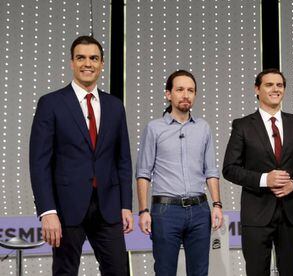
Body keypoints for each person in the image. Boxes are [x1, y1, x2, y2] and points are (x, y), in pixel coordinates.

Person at [29, 35, 133, 276]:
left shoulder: (115, 106)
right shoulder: (51, 103)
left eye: (94, 58)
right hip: (66, 208)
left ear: (102, 63)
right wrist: (47, 212)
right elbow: (39, 163)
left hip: (108, 206)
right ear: (72, 63)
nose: (88, 63)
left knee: (119, 271)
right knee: (65, 272)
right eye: (81, 58)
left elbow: (123, 160)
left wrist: (126, 205)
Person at [222, 68, 293, 276]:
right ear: (257, 89)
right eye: (269, 85)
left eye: (280, 85)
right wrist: (266, 179)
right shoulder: (243, 125)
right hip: (256, 214)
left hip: (291, 212)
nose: (275, 89)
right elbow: (229, 169)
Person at [136, 70, 223, 276]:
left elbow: (210, 170)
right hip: (166, 211)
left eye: (191, 90)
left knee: (200, 272)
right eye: (180, 90)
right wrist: (143, 210)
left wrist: (217, 205)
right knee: (165, 272)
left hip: (200, 209)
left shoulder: (203, 128)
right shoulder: (154, 128)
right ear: (168, 94)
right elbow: (143, 172)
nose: (186, 95)